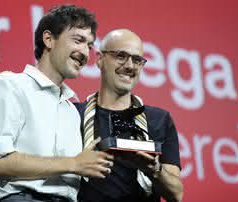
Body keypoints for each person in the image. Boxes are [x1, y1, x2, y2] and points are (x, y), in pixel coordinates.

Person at [0, 5, 114, 202]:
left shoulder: (71, 110)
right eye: (78, 40)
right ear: (48, 39)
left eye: (89, 46)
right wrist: (73, 163)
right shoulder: (11, 85)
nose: (85, 52)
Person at [75, 29, 183, 202]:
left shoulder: (159, 119)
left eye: (137, 59)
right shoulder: (73, 114)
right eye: (121, 56)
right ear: (100, 60)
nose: (130, 66)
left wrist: (154, 170)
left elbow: (176, 194)